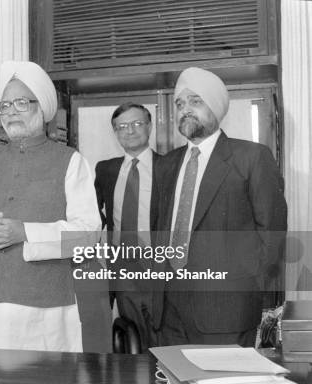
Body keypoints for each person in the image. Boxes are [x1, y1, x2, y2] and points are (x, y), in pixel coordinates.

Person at [0, 60, 101, 352]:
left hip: (48, 308)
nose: (11, 113)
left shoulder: (71, 160)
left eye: (21, 103)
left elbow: (88, 235)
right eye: (5, 106)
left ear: (42, 108)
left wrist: (25, 232)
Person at [155, 67, 287, 346]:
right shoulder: (166, 164)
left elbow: (272, 234)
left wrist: (248, 293)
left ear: (215, 106)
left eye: (195, 101)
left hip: (227, 311)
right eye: (179, 103)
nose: (185, 109)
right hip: (170, 311)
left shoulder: (251, 158)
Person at [94, 102, 160, 352]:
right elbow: (92, 215)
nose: (129, 131)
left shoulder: (169, 166)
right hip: (122, 269)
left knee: (162, 338)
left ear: (149, 126)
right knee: (131, 339)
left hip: (158, 267)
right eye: (121, 127)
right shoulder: (106, 169)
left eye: (136, 124)